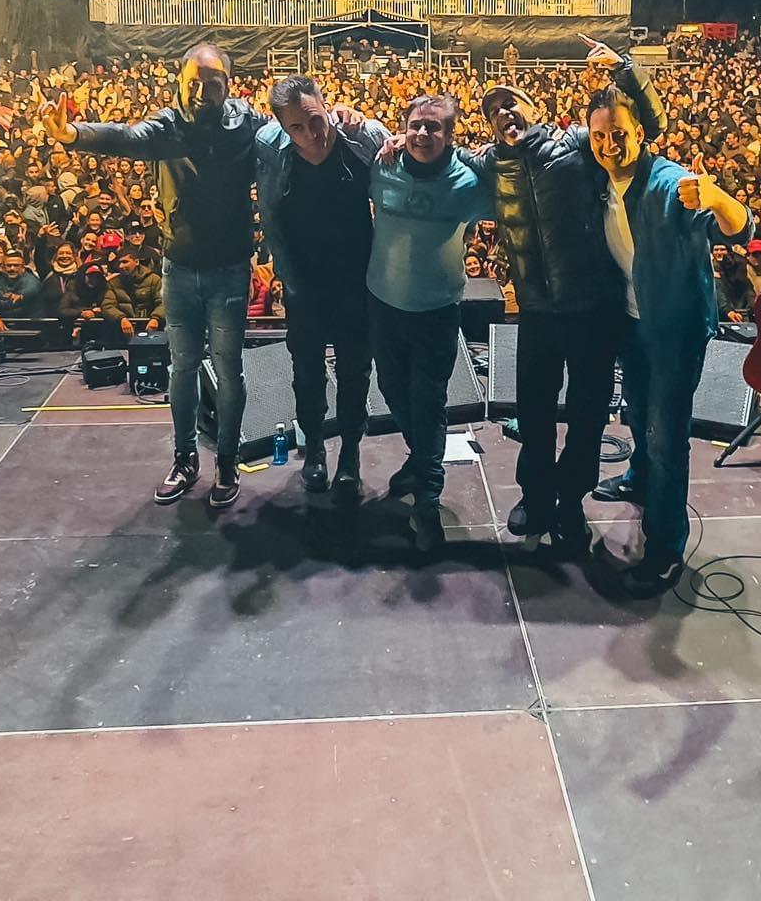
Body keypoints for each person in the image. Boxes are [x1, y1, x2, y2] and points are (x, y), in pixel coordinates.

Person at [40, 44, 269, 510]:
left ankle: (227, 461)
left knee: (229, 370)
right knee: (182, 367)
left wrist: (342, 117)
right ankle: (185, 459)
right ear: (179, 81)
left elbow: (289, 133)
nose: (202, 90)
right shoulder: (168, 126)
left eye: (213, 83)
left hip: (229, 267)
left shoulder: (246, 123)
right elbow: (125, 136)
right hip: (180, 267)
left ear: (228, 85)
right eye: (194, 81)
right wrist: (72, 134)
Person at [472, 44, 662, 553]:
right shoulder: (491, 163)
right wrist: (390, 136)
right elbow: (433, 154)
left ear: (534, 110)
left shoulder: (576, 144)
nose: (503, 114)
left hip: (590, 312)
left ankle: (570, 503)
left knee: (587, 415)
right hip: (535, 311)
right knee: (532, 412)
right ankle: (535, 498)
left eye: (511, 104)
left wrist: (627, 70)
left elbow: (644, 127)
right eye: (493, 111)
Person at [585, 83, 752, 597]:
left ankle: (664, 550)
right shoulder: (597, 180)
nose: (608, 145)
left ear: (640, 134)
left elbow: (741, 229)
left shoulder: (669, 183)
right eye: (599, 135)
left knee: (666, 435)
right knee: (639, 413)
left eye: (619, 135)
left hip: (674, 330)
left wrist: (719, 196)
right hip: (632, 322)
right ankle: (638, 477)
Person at [255, 75, 390, 501]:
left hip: (356, 278)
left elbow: (400, 169)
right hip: (304, 281)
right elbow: (269, 212)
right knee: (305, 373)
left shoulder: (361, 137)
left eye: (315, 120)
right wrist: (285, 274)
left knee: (355, 371)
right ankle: (314, 447)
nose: (311, 134)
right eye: (296, 127)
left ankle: (350, 453)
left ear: (327, 105)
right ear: (281, 127)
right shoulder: (267, 145)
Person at [368, 94, 491, 551]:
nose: (423, 134)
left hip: (437, 312)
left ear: (450, 134)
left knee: (428, 403)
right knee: (391, 391)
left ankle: (427, 500)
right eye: (415, 125)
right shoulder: (383, 166)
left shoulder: (468, 181)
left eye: (434, 127)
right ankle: (421, 460)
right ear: (403, 127)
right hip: (383, 303)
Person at [0, 250, 43, 330]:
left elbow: (31, 290)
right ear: (3, 267)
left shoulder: (32, 281)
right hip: (4, 328)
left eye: (16, 265)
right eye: (9, 265)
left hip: (29, 328)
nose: (12, 268)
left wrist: (0, 303)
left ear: (23, 267)